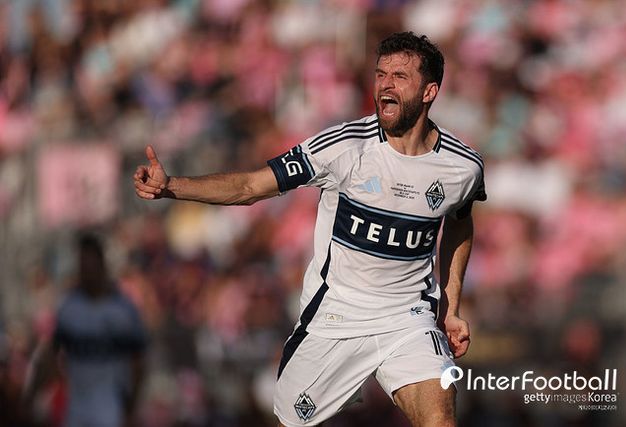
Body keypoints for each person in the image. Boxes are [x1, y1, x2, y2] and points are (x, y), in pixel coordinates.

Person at [134, 31, 485, 427]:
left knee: (440, 418)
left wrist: (450, 307)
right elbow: (250, 187)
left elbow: (459, 221)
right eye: (380, 74)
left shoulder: (462, 166)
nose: (385, 85)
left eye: (400, 76)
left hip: (408, 318)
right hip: (336, 318)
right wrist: (172, 186)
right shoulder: (344, 147)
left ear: (429, 91)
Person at [24, 233, 147, 427]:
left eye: (91, 264)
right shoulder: (70, 307)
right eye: (83, 264)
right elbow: (51, 353)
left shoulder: (122, 309)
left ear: (102, 265)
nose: (87, 270)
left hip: (110, 403)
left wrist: (131, 405)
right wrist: (35, 392)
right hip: (78, 404)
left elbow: (138, 361)